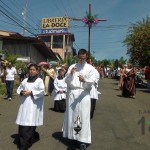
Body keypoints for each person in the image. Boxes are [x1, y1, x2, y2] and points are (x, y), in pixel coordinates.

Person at [62, 49, 96, 150]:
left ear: (86, 57)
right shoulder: (72, 66)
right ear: (77, 57)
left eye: (84, 58)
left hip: (83, 93)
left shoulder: (90, 68)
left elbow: (93, 81)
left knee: (83, 117)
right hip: (73, 94)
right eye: (80, 58)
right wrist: (71, 74)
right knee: (72, 116)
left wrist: (84, 80)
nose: (82, 60)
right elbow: (66, 81)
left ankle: (82, 140)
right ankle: (73, 137)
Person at [15, 64, 45, 150]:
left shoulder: (39, 81)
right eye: (30, 70)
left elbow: (42, 91)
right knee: (23, 124)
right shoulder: (25, 80)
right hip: (24, 105)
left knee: (29, 124)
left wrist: (31, 92)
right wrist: (21, 92)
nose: (31, 71)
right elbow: (19, 89)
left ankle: (24, 145)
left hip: (33, 106)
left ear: (37, 71)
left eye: (33, 70)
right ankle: (27, 140)